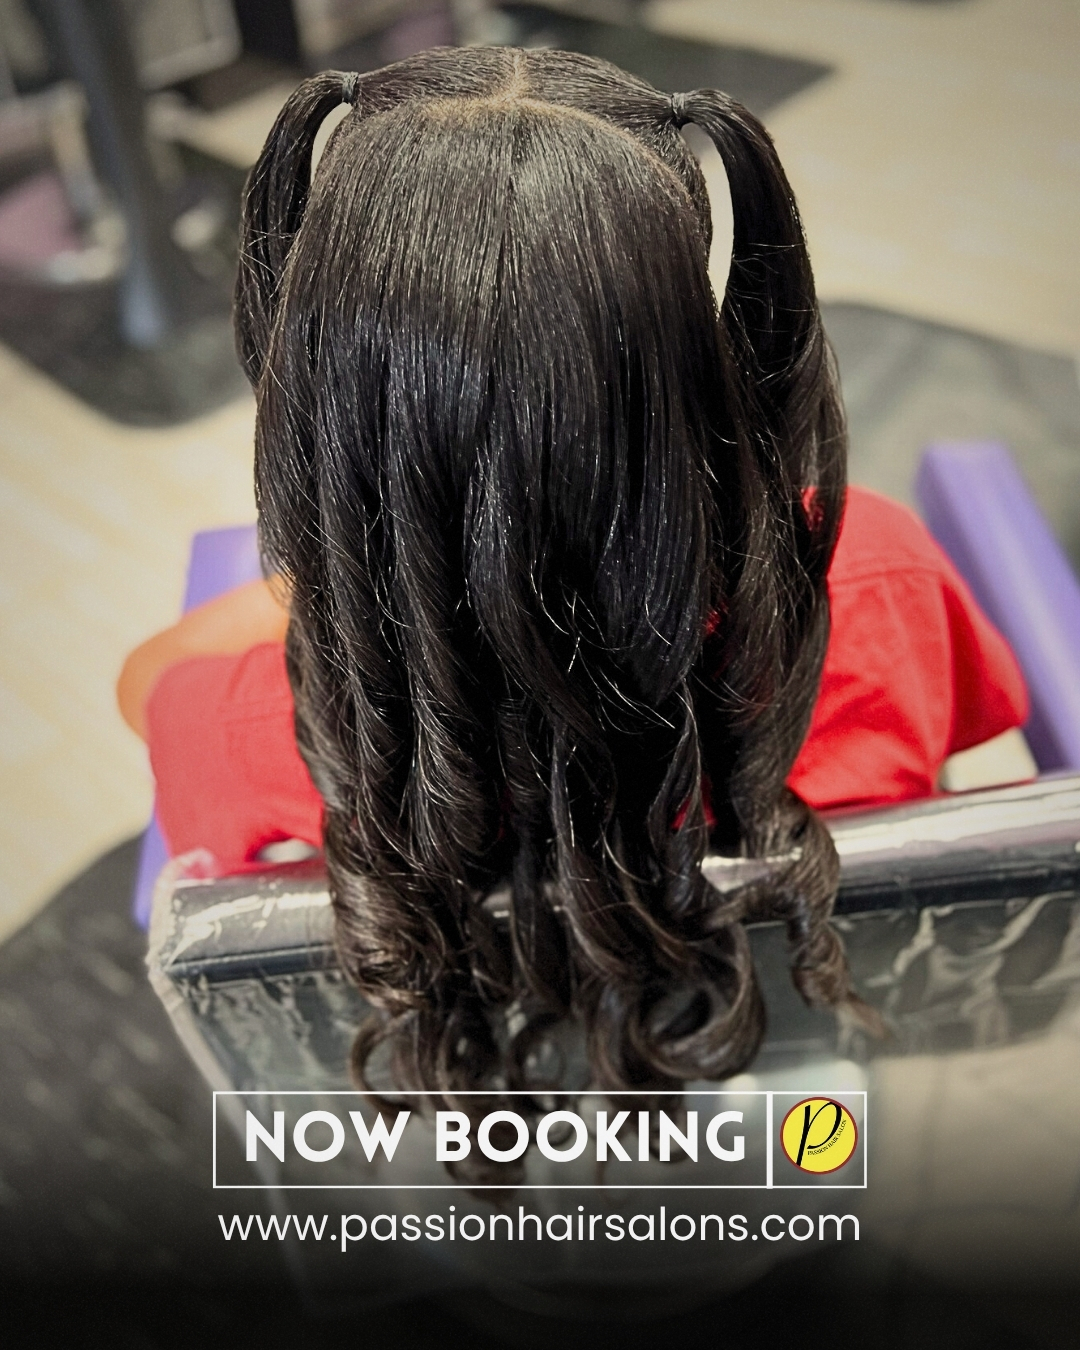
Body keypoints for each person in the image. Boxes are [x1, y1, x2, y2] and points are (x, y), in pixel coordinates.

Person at [118, 47, 1026, 1101]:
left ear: (329, 405)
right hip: (800, 1065)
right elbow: (966, 726)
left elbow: (144, 684)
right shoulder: (874, 574)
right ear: (690, 341)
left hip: (495, 1096)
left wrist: (362, 583)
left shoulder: (263, 729)